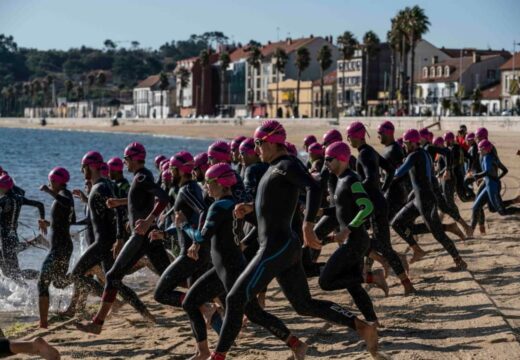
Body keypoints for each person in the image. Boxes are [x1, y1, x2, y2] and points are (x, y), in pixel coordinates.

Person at [208, 120, 380, 360]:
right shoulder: (275, 167)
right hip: (282, 248)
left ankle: (217, 356)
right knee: (303, 305)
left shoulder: (286, 164)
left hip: (276, 247)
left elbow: (313, 188)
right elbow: (272, 209)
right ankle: (362, 327)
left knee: (235, 298)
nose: (256, 148)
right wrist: (250, 208)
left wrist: (308, 224)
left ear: (272, 141)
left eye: (259, 143)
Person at [76, 142, 171, 334]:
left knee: (112, 276)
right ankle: (211, 296)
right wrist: (119, 202)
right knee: (170, 277)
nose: (124, 162)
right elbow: (137, 198)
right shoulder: (139, 177)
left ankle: (97, 323)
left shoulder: (142, 176)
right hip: (146, 237)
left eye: (126, 159)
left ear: (134, 159)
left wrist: (147, 220)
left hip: (141, 236)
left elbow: (163, 198)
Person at [67, 151, 154, 320]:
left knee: (77, 275)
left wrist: (120, 238)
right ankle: (146, 314)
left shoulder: (100, 187)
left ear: (90, 166)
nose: (81, 170)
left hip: (102, 243)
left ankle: (112, 300)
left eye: (83, 167)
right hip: (106, 242)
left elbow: (119, 210)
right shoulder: (103, 185)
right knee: (114, 282)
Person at [346, 121, 414, 295]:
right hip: (378, 201)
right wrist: (382, 189)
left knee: (374, 243)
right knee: (382, 244)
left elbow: (369, 178)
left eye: (350, 136)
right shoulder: (370, 151)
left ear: (357, 136)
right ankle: (399, 277)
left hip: (374, 205)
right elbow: (390, 169)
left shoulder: (363, 154)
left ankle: (390, 269)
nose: (348, 140)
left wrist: (355, 191)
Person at [319, 141, 379, 324]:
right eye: (324, 159)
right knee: (353, 287)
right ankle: (373, 322)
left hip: (355, 241)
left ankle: (371, 277)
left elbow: (367, 206)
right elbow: (342, 208)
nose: (326, 163)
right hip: (354, 241)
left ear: (342, 159)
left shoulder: (351, 180)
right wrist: (323, 212)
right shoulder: (341, 179)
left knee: (325, 282)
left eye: (329, 159)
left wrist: (348, 229)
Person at [390, 129, 467, 271]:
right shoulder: (423, 153)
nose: (405, 146)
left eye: (406, 143)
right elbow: (424, 177)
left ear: (413, 143)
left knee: (437, 233)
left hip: (425, 199)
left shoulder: (414, 155)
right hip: (418, 199)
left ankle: (459, 260)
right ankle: (417, 249)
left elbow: (398, 173)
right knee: (397, 223)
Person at [153, 151, 211, 311]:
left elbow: (203, 212)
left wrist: (197, 242)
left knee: (160, 294)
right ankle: (214, 322)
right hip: (197, 251)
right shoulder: (192, 188)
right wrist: (165, 233)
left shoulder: (187, 190)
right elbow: (189, 220)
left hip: (190, 254)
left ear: (180, 170)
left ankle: (206, 307)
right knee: (194, 297)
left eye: (172, 169)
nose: (170, 173)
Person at [38, 167, 76, 329]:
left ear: (57, 181)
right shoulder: (63, 196)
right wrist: (49, 223)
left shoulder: (64, 195)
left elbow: (66, 203)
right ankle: (81, 277)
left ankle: (43, 323)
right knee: (59, 283)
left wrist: (48, 191)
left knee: (42, 283)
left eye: (51, 181)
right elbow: (71, 220)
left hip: (59, 249)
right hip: (64, 247)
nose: (49, 184)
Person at [0, 174, 46, 281]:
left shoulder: (3, 200)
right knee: (10, 267)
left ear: (5, 187)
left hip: (5, 238)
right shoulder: (19, 198)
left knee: (13, 273)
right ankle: (36, 241)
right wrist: (42, 220)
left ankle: (41, 276)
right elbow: (39, 204)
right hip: (12, 235)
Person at [468, 140, 520, 230]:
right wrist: (496, 178)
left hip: (492, 188)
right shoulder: (492, 156)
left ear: (486, 150)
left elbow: (487, 172)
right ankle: (470, 231)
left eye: (480, 149)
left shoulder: (487, 157)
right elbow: (505, 170)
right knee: (478, 207)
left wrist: (477, 176)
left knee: (502, 212)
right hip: (489, 186)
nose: (479, 151)